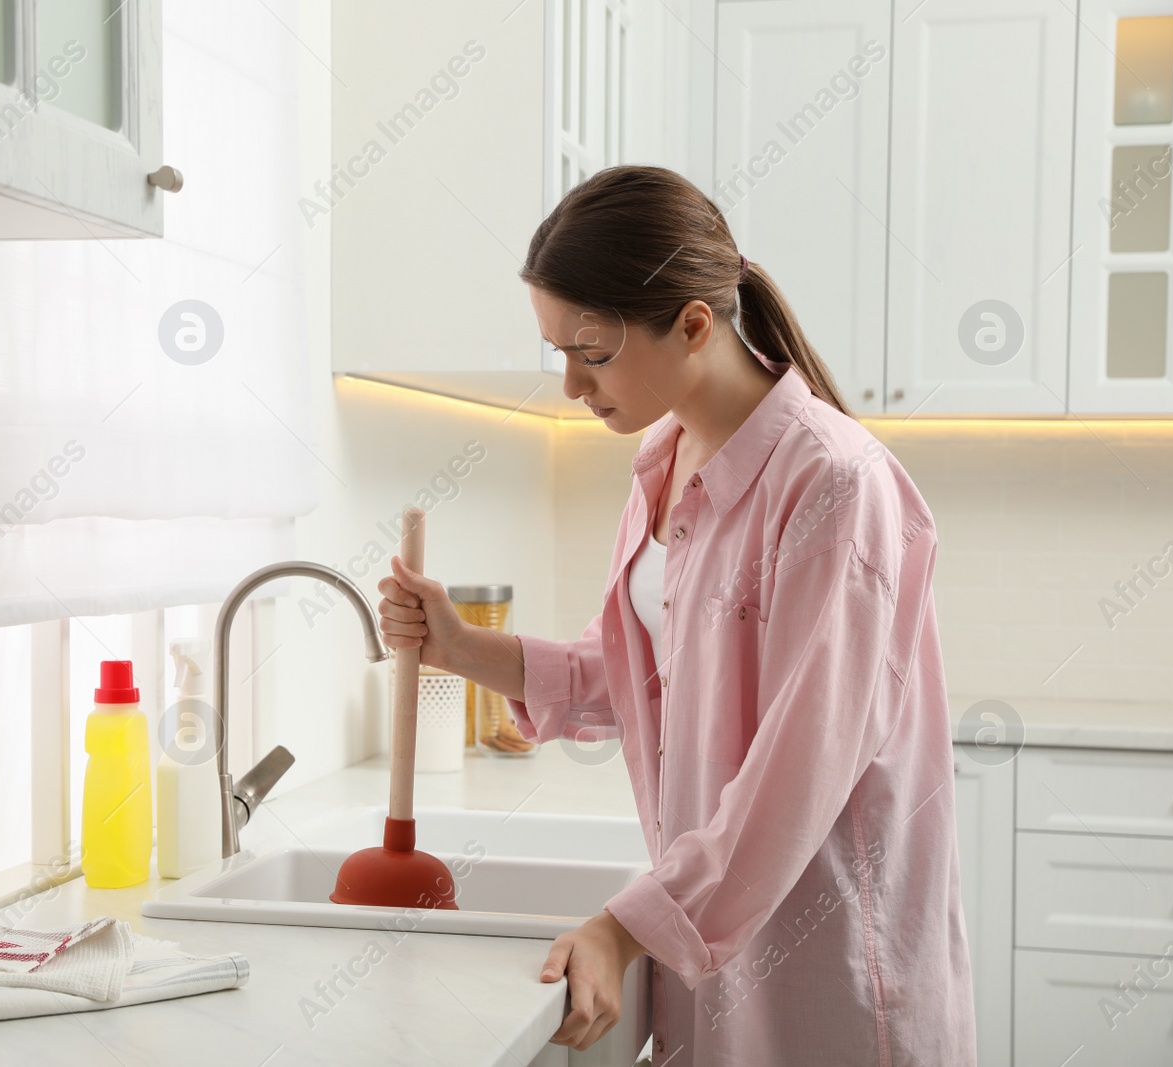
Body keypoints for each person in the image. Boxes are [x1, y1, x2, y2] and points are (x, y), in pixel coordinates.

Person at [377, 166, 973, 1064]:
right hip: (719, 945)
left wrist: (626, 927)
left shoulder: (834, 484)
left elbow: (797, 768)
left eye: (594, 351)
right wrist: (460, 646)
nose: (572, 385)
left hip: (829, 964)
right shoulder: (665, 460)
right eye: (558, 353)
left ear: (694, 323)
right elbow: (631, 672)